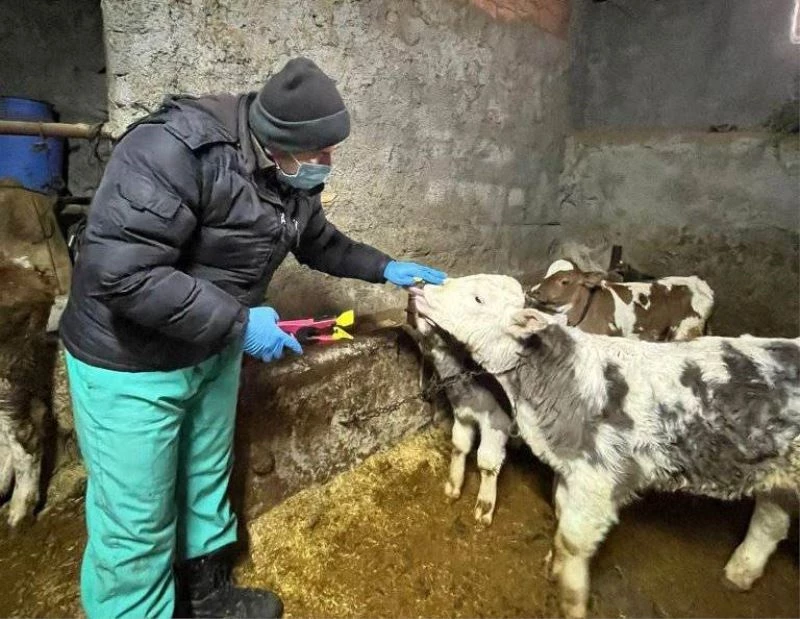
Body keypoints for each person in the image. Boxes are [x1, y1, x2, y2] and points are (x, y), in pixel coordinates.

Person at [58, 56, 447, 619]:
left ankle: (206, 596)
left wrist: (384, 267)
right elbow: (122, 275)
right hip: (130, 361)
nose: (328, 163)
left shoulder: (290, 174)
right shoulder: (173, 150)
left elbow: (316, 241)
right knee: (136, 518)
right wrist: (240, 324)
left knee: (204, 477)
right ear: (278, 142)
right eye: (321, 153)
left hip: (208, 345)